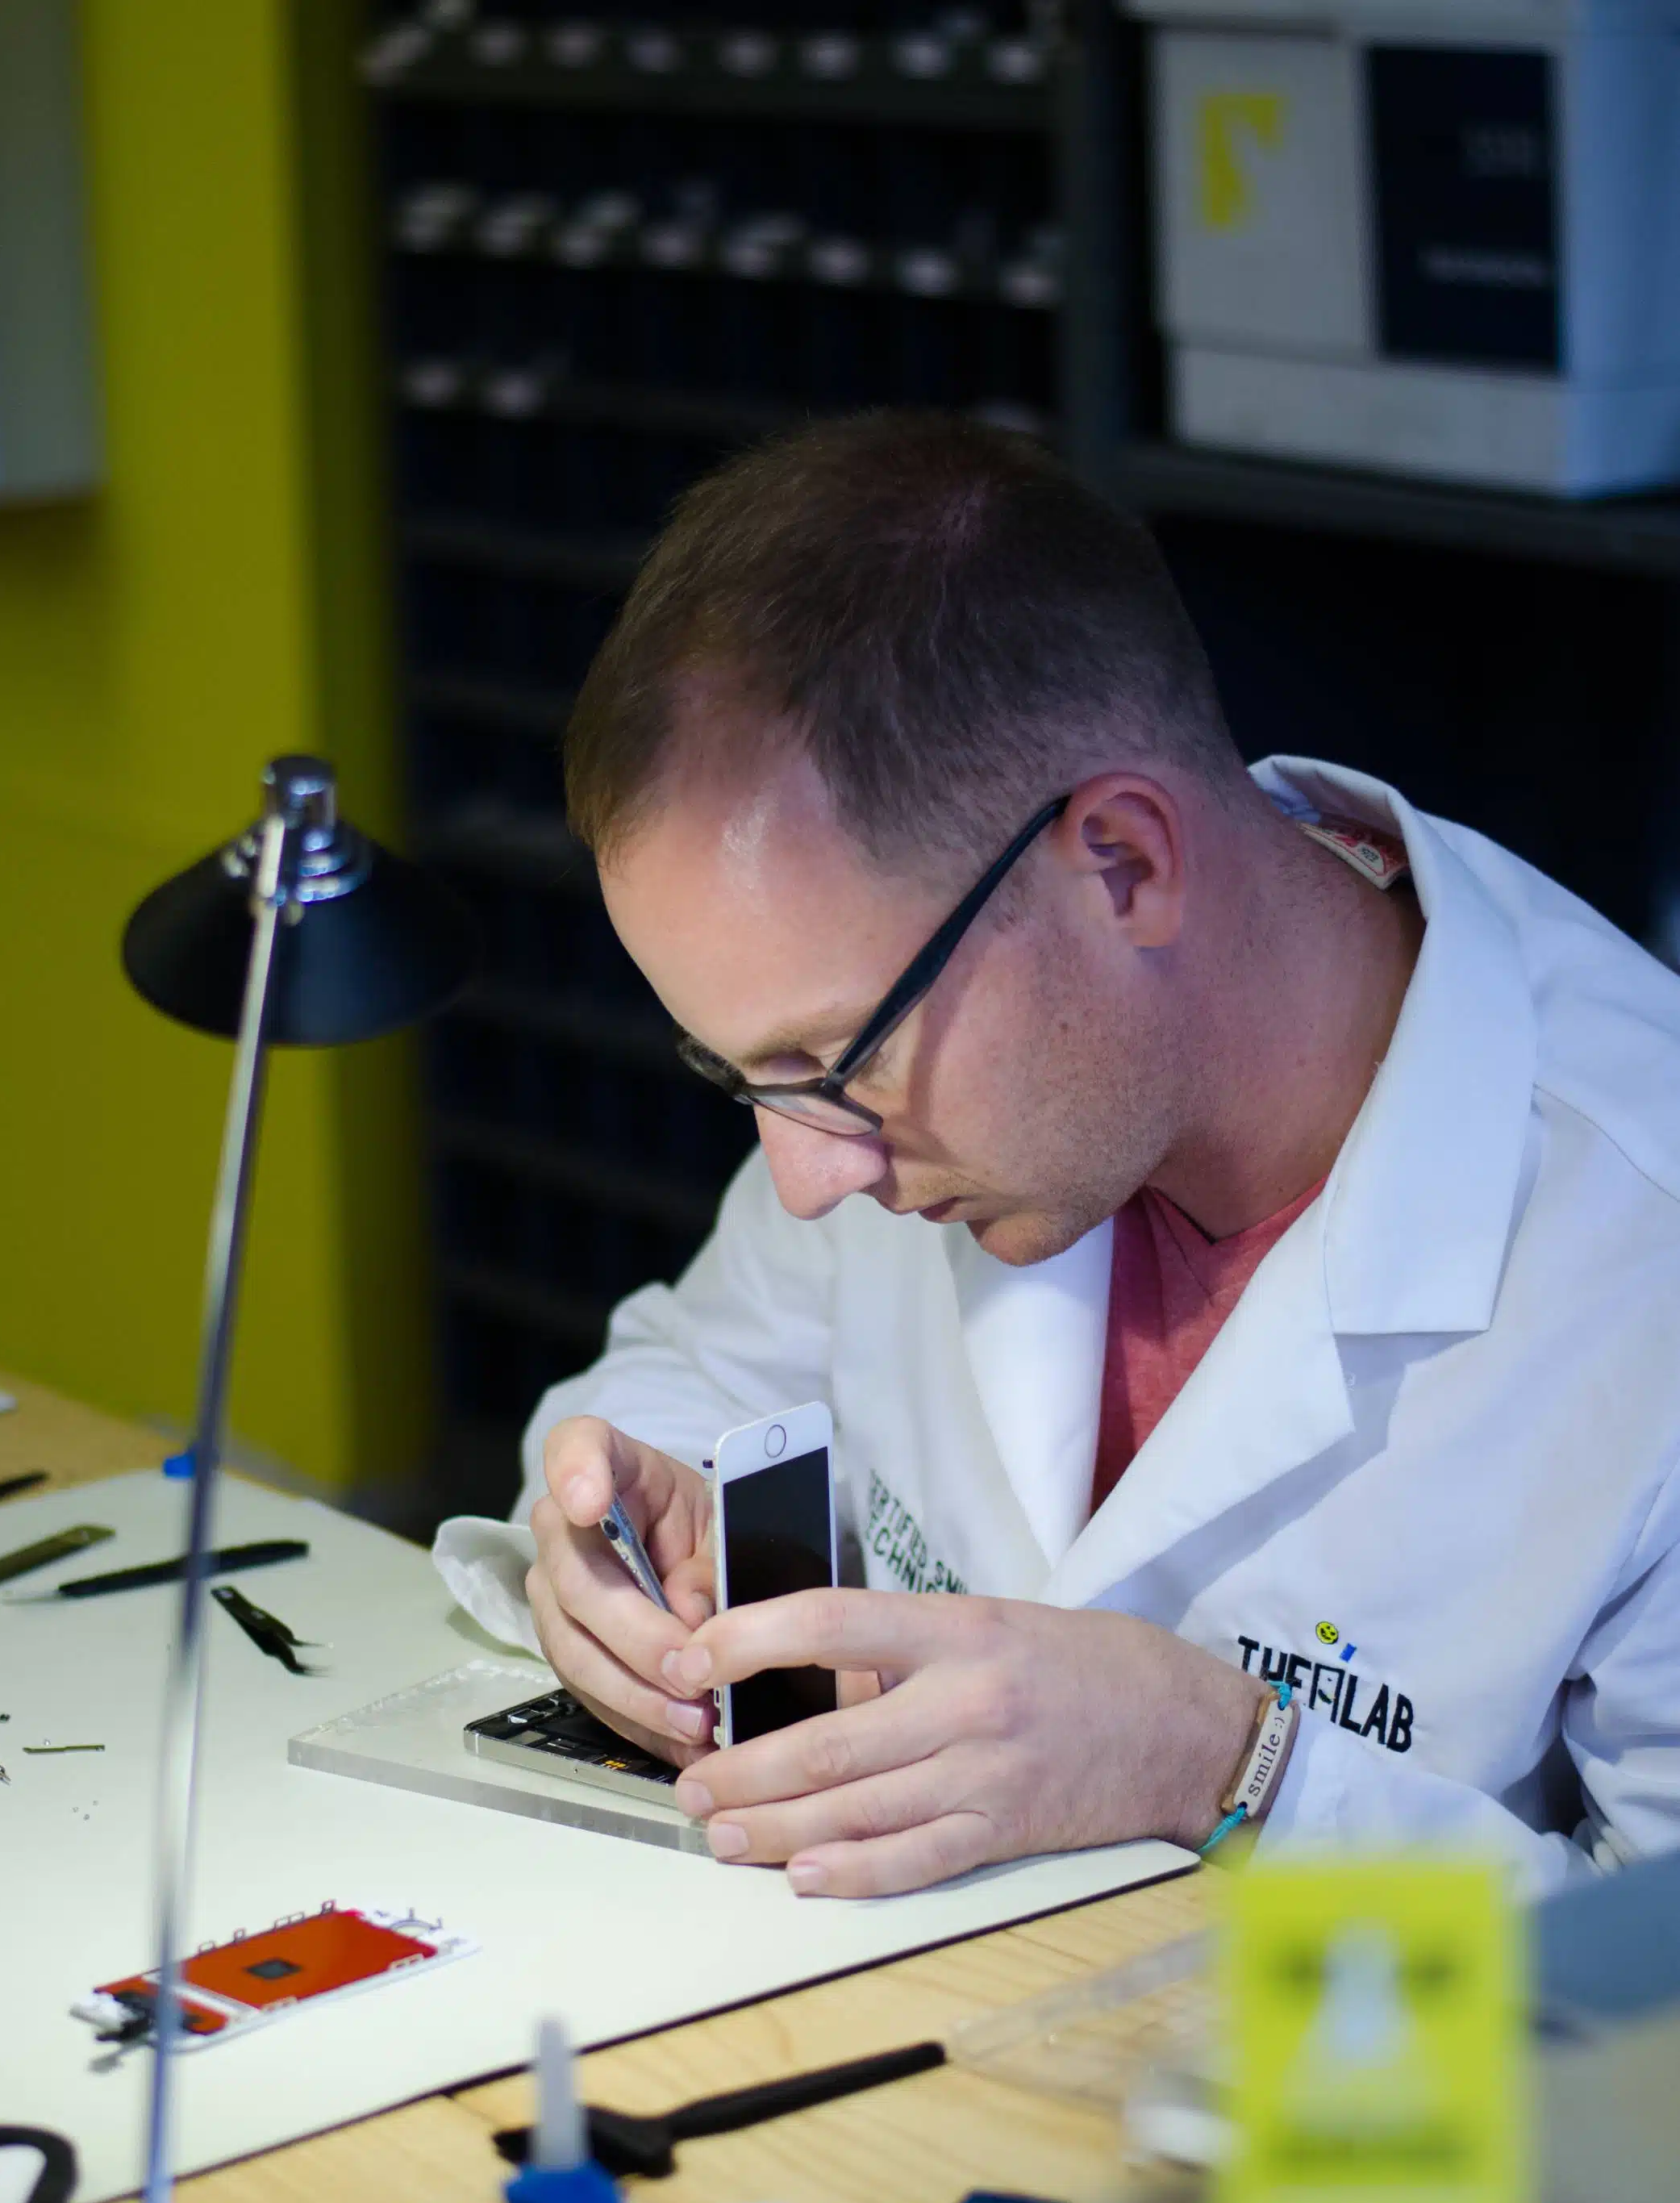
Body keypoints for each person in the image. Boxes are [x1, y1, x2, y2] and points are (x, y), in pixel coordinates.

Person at [434, 411, 1680, 1901]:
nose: (804, 1176)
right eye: (738, 1074)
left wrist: (1226, 1768)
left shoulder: (1634, 1246)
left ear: (1123, 864)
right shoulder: (903, 1071)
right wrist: (613, 1557)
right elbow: (685, 1370)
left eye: (833, 1063)